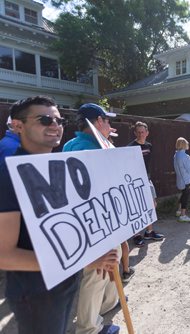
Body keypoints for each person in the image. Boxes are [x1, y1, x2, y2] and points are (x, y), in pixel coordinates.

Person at [0, 96, 118, 334]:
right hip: (35, 292)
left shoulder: (59, 165)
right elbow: (5, 255)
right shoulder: (10, 170)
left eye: (59, 120)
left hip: (63, 282)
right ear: (17, 126)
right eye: (44, 119)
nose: (55, 125)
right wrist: (84, 260)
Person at [63, 103, 122, 334]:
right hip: (98, 222)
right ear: (98, 122)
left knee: (107, 266)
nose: (110, 125)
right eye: (107, 121)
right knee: (97, 272)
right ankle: (88, 327)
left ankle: (106, 304)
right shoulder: (95, 149)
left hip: (86, 220)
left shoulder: (70, 144)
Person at [127, 121, 164, 249]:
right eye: (138, 132)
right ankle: (136, 235)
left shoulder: (149, 145)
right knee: (136, 208)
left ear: (147, 133)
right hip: (134, 182)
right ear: (135, 133)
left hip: (147, 180)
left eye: (143, 132)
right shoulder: (130, 147)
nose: (141, 134)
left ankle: (149, 232)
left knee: (152, 205)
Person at [174, 137, 190, 223]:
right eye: (186, 143)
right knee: (185, 196)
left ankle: (179, 211)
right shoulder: (186, 156)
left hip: (180, 179)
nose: (188, 145)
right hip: (186, 180)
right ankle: (183, 215)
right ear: (184, 145)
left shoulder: (175, 155)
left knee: (183, 194)